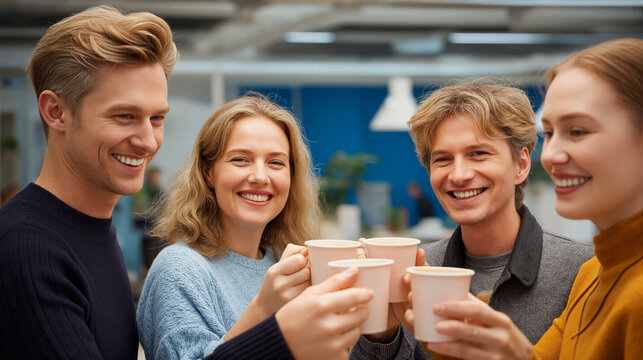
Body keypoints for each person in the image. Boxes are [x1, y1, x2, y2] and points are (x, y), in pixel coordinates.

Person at [416, 38, 643, 360]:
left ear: (521, 164)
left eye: (577, 131)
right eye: (549, 133)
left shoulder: (584, 270)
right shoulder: (594, 274)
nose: (550, 155)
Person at [351, 83, 594, 359]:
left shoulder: (581, 271)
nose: (459, 175)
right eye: (443, 159)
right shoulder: (418, 269)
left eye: (478, 153)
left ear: (521, 165)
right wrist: (381, 335)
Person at [137, 94, 374, 359]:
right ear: (208, 172)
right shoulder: (180, 269)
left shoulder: (286, 264)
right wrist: (264, 309)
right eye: (240, 159)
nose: (260, 177)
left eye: (276, 162)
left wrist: (370, 318)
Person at [0, 6, 177, 359]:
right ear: (56, 112)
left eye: (156, 118)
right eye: (125, 116)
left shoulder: (93, 231)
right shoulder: (29, 249)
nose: (148, 140)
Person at [133, 166, 165, 274]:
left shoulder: (160, 191)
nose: (157, 178)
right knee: (148, 249)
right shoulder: (142, 191)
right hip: (143, 226)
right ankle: (146, 270)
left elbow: (164, 209)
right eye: (154, 176)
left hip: (156, 227)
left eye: (158, 176)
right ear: (149, 176)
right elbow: (140, 210)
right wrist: (155, 213)